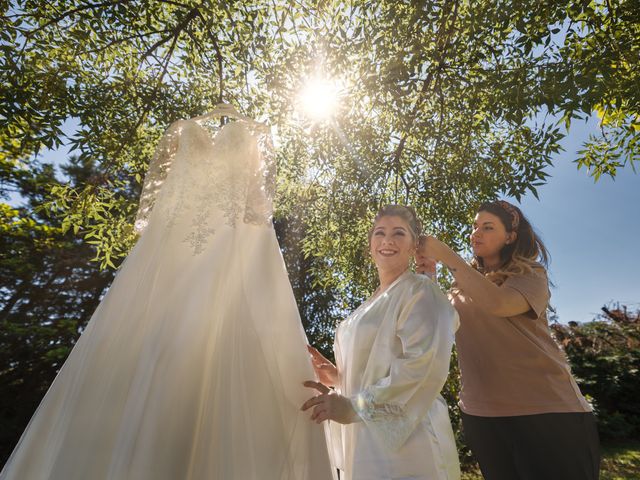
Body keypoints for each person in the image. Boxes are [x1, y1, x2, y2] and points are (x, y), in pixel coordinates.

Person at [1, 104, 334, 480]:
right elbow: (155, 207)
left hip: (231, 248)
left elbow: (258, 210)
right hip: (176, 245)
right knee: (158, 351)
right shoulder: (181, 131)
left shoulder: (256, 133)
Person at [416, 200, 599, 480]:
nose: (476, 233)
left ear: (510, 237)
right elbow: (435, 325)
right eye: (475, 226)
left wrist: (446, 255)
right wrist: (429, 274)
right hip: (482, 418)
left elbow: (499, 303)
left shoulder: (531, 274)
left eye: (488, 227)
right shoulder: (461, 284)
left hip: (549, 414)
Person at [302, 205, 461, 480]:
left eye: (399, 233)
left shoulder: (419, 290)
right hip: (363, 437)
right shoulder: (368, 304)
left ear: (414, 247)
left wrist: (354, 406)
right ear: (370, 245)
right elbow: (375, 366)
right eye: (380, 233)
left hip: (408, 442)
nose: (387, 240)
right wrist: (339, 377)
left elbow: (424, 365)